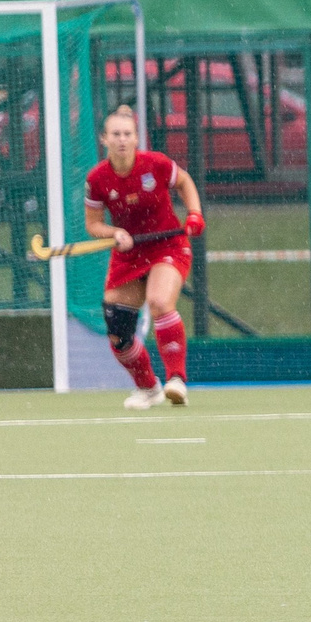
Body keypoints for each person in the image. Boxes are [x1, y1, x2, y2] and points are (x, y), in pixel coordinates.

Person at [82, 105, 204, 410]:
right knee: (117, 329)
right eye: (115, 134)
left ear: (137, 138)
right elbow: (93, 223)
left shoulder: (156, 164)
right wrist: (114, 233)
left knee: (160, 302)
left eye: (128, 134)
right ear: (104, 139)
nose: (122, 140)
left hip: (168, 245)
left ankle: (177, 380)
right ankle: (149, 388)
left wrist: (194, 213)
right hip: (129, 254)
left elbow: (185, 182)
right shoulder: (97, 179)